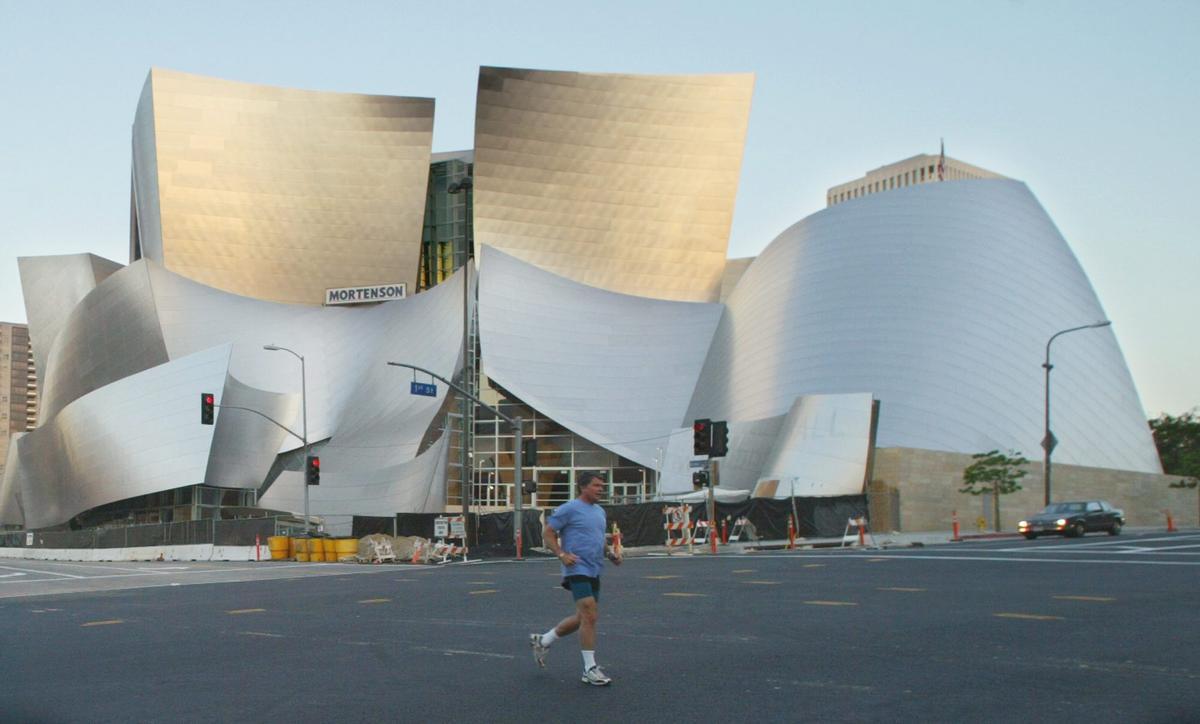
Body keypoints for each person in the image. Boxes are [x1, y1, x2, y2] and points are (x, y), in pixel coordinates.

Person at [530, 471, 622, 686]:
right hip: (576, 567)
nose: (601, 489)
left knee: (584, 617)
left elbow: (599, 538)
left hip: (594, 568)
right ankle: (589, 668)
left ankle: (543, 640)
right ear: (583, 487)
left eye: (602, 485)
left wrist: (609, 555)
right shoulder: (569, 508)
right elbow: (548, 533)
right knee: (590, 613)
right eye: (596, 485)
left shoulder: (599, 511)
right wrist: (562, 554)